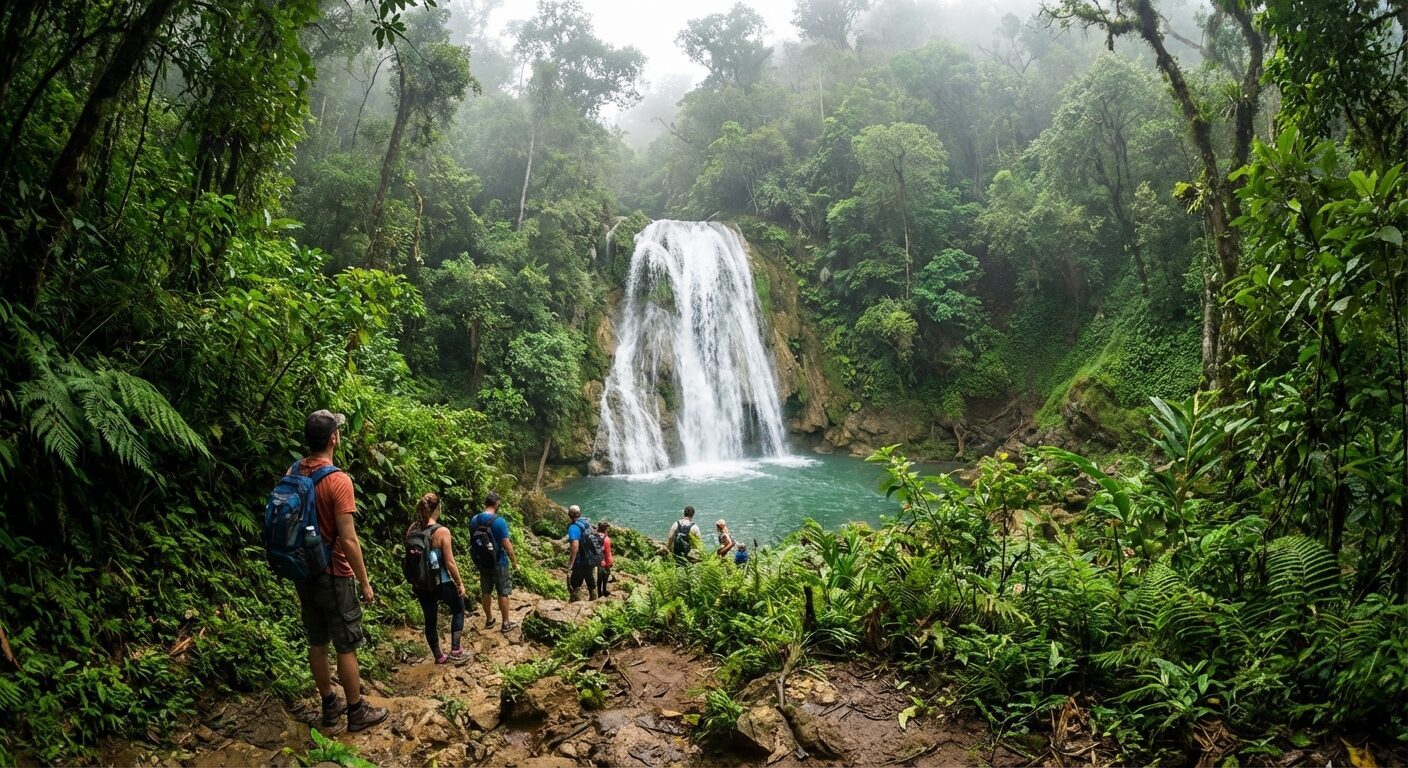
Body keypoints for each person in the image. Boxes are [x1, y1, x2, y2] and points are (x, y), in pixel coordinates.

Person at [294, 410, 388, 733]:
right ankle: (356, 711)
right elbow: (348, 538)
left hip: (304, 572)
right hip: (334, 573)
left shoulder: (294, 471)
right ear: (333, 438)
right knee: (345, 644)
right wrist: (365, 582)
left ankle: (329, 706)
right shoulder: (338, 480)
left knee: (316, 641)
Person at [406, 492, 467, 664]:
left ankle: (439, 656)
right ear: (437, 509)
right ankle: (456, 650)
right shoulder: (442, 531)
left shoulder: (412, 529)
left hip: (421, 583)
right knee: (458, 608)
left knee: (430, 619)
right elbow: (450, 563)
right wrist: (459, 584)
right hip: (442, 582)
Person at [469, 492, 518, 632]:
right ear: (497, 504)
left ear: (485, 503)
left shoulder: (474, 520)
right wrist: (514, 563)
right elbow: (507, 545)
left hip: (482, 562)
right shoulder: (499, 521)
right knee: (503, 592)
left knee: (486, 591)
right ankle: (506, 623)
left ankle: (489, 619)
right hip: (499, 562)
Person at [566, 505, 597, 601]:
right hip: (591, 556)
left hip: (581, 559)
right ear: (580, 513)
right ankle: (594, 598)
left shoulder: (573, 527)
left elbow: (575, 546)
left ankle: (575, 602)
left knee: (575, 582)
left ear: (569, 515)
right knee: (589, 576)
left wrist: (570, 564)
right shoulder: (585, 521)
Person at [595, 521, 614, 599]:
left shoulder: (596, 537)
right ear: (605, 529)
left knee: (599, 578)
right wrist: (610, 562)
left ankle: (599, 592)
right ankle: (604, 591)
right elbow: (607, 552)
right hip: (605, 561)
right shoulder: (606, 539)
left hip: (599, 561)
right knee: (606, 576)